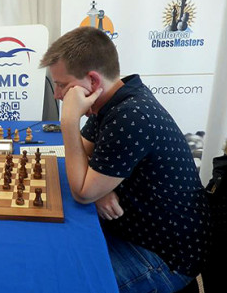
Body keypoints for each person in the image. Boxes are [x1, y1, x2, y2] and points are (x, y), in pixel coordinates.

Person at [40, 26, 210, 293]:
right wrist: (99, 189)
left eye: (62, 85)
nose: (57, 95)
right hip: (134, 233)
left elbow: (82, 191)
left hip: (163, 258)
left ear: (93, 82)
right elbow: (83, 151)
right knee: (52, 247)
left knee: (60, 281)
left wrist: (69, 121)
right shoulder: (116, 98)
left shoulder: (130, 114)